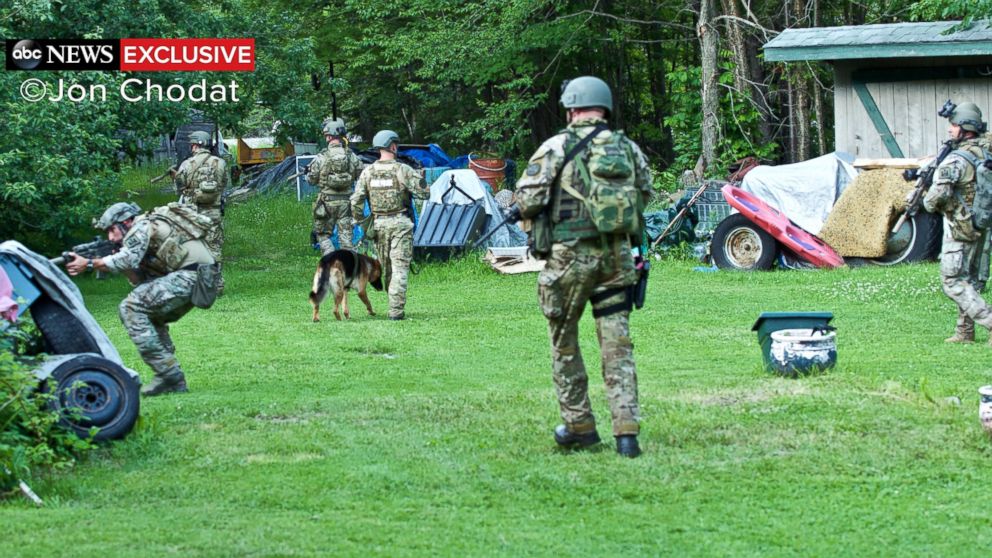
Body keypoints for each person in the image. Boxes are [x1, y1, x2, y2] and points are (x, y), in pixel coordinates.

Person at [513, 76, 652, 457]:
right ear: (604, 107)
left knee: (565, 343)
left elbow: (527, 200)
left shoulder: (555, 147)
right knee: (617, 344)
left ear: (572, 108)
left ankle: (580, 426)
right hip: (617, 258)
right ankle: (627, 434)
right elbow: (644, 196)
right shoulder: (627, 149)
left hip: (568, 259)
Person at [66, 202, 216, 396]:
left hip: (190, 277)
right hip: (200, 280)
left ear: (126, 221)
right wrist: (113, 261)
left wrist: (89, 264)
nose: (111, 237)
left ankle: (168, 373)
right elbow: (139, 279)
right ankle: (171, 379)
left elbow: (127, 258)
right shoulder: (143, 230)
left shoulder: (141, 225)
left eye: (112, 230)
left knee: (131, 308)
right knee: (151, 317)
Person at [923, 101, 992, 344]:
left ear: (964, 128)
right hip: (981, 224)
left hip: (960, 227)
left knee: (952, 281)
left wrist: (925, 201)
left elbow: (935, 199)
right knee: (969, 280)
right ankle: (965, 332)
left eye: (953, 125)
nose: (950, 130)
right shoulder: (985, 152)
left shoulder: (955, 161)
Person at [350, 130, 428, 320]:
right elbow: (425, 193)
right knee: (400, 267)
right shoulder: (403, 170)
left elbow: (355, 202)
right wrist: (421, 179)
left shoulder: (367, 172)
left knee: (388, 268)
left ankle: (393, 306)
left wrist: (364, 223)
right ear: (393, 146)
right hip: (400, 224)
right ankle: (396, 311)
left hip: (378, 225)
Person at [174, 130, 227, 290]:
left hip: (192, 214)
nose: (191, 148)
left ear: (196, 145)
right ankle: (217, 284)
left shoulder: (186, 165)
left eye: (192, 145)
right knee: (214, 248)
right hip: (213, 213)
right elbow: (224, 184)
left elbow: (179, 188)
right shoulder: (220, 163)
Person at [308, 118, 364, 253]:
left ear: (328, 136)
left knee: (322, 235)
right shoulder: (351, 156)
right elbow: (361, 175)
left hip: (326, 203)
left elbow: (312, 180)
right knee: (346, 237)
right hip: (346, 202)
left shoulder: (321, 157)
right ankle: (350, 265)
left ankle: (330, 259)